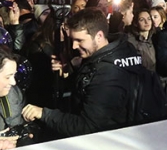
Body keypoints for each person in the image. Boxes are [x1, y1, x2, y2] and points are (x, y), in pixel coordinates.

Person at [21, 9, 145, 138]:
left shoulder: (107, 73)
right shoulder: (117, 52)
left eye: (80, 40)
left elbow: (87, 126)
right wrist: (68, 73)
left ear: (99, 36)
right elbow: (87, 89)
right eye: (73, 40)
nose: (74, 46)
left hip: (109, 140)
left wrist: (44, 114)